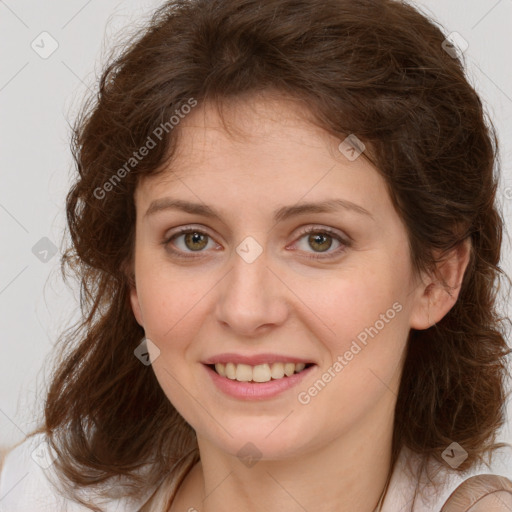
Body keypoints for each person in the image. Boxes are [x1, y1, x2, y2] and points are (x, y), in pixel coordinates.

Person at [1, 0, 512, 511]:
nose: (245, 310)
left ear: (435, 280)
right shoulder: (35, 490)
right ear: (133, 278)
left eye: (319, 240)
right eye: (193, 239)